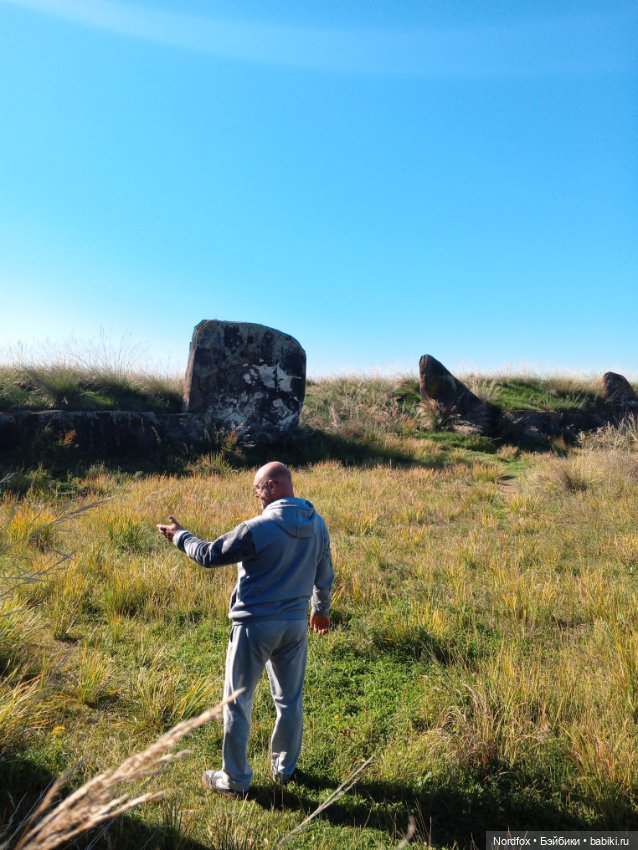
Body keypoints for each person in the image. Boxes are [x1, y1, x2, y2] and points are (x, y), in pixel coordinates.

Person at [156, 461, 334, 797]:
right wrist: (320, 611)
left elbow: (209, 555)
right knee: (290, 700)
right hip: (295, 624)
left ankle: (235, 780)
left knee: (237, 701)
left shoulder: (258, 528)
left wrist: (180, 536)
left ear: (271, 486)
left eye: (257, 491)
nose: (257, 499)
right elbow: (325, 573)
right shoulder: (318, 524)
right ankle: (284, 769)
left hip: (254, 625)